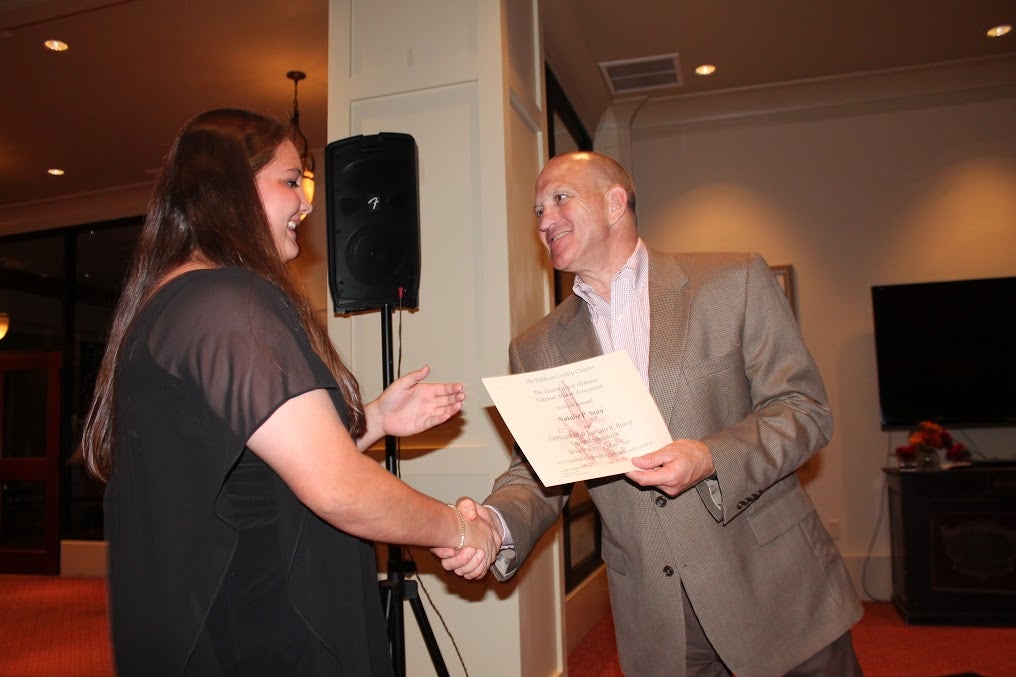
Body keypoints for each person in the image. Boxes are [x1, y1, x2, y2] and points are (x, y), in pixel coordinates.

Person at [80, 108, 498, 677]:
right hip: (261, 630)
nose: (307, 203)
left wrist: (373, 419)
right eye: (290, 181)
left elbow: (250, 466)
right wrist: (458, 528)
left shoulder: (175, 300)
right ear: (228, 188)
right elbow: (338, 489)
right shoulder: (227, 302)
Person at [436, 151, 864, 676]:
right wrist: (495, 523)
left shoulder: (733, 281)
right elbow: (538, 471)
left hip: (773, 589)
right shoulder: (536, 348)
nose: (544, 220)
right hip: (658, 620)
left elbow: (803, 409)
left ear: (616, 203)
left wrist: (710, 457)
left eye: (559, 199)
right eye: (537, 210)